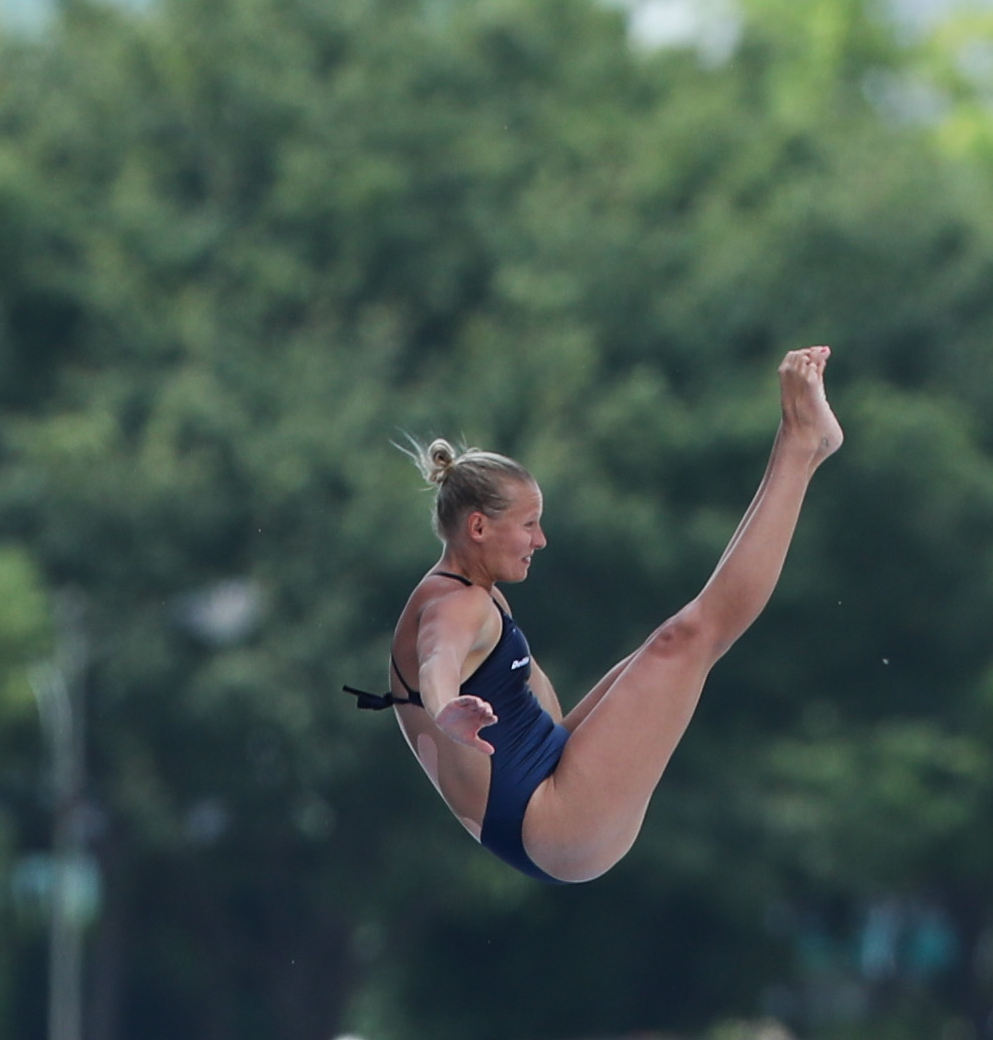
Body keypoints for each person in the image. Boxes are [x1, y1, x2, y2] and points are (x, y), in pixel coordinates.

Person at [350, 347, 841, 885]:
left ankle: (805, 450)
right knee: (690, 637)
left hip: (552, 785)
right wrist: (447, 711)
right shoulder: (453, 605)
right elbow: (435, 664)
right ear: (478, 528)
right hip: (556, 824)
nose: (541, 539)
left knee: (672, 641)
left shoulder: (471, 589)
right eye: (530, 524)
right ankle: (798, 440)